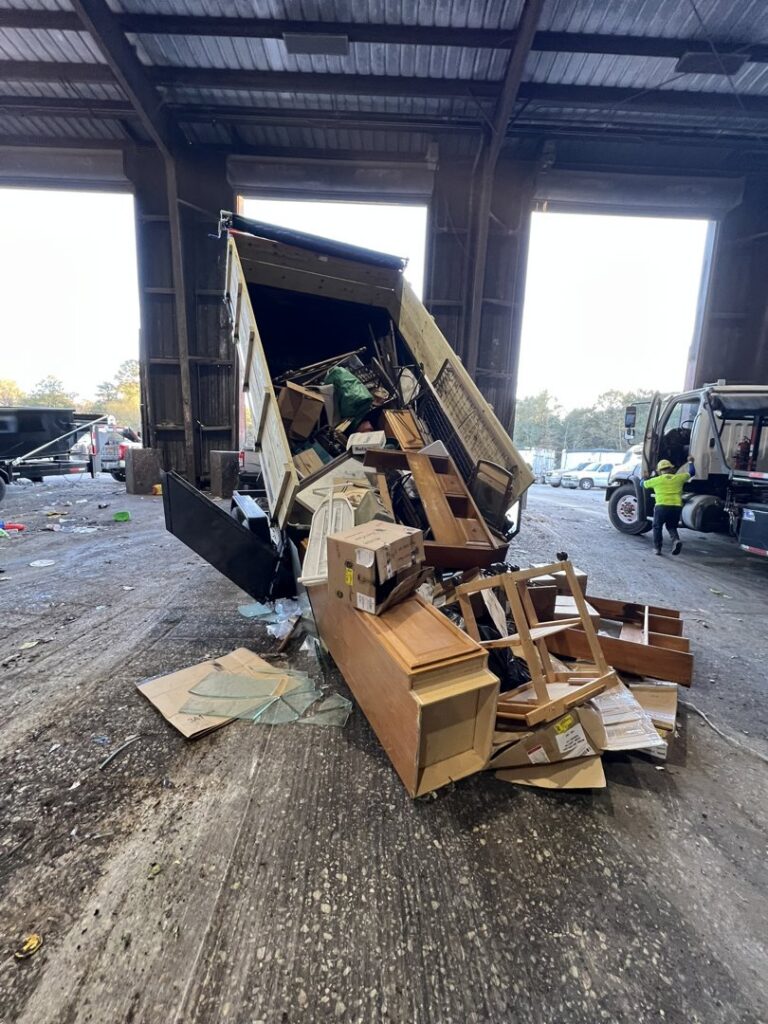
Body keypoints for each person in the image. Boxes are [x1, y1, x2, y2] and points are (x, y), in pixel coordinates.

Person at [643, 458, 693, 556]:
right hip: (676, 507)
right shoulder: (679, 478)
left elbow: (643, 484)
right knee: (671, 526)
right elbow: (692, 472)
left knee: (657, 527)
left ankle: (658, 548)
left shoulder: (656, 480)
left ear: (659, 471)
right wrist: (691, 462)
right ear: (671, 469)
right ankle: (675, 540)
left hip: (661, 507)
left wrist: (645, 478)